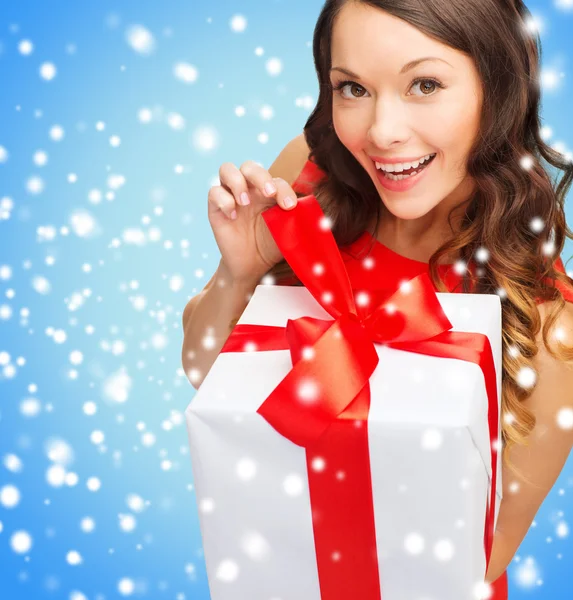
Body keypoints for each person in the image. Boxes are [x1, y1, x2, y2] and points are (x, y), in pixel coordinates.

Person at [182, 1, 573, 597]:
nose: (382, 132)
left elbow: (480, 557)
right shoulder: (306, 182)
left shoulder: (549, 328)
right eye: (353, 88)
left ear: (499, 90)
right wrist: (239, 273)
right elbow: (200, 369)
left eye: (424, 84)